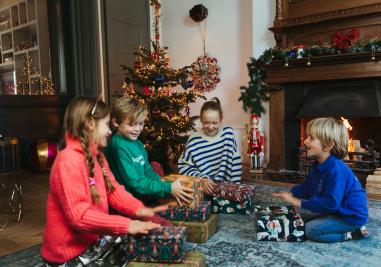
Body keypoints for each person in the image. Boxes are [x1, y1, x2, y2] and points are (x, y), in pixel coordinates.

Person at [41, 96, 166, 266]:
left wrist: (140, 211)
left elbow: (114, 191)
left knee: (146, 243)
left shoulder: (98, 156)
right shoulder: (68, 161)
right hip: (69, 254)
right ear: (90, 124)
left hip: (92, 241)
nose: (109, 131)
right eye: (106, 124)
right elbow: (80, 217)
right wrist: (128, 225)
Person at [271, 117, 369, 243]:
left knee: (310, 230)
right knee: (299, 217)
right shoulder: (318, 165)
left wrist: (298, 202)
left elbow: (330, 204)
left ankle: (352, 234)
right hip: (336, 210)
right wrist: (292, 193)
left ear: (328, 145)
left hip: (350, 217)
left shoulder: (336, 170)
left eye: (311, 138)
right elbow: (308, 187)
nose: (305, 141)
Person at [104, 96, 193, 206]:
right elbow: (135, 182)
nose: (137, 129)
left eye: (141, 124)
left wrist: (162, 183)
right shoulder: (117, 146)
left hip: (143, 197)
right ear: (116, 122)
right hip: (127, 203)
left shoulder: (138, 144)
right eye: (132, 124)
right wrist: (167, 188)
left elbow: (148, 171)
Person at [178, 97, 242, 195]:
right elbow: (184, 166)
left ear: (221, 120)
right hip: (202, 188)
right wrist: (201, 179)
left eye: (215, 123)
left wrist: (234, 188)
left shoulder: (228, 133)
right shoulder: (194, 139)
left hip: (226, 188)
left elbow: (236, 161)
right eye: (206, 123)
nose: (210, 127)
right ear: (201, 120)